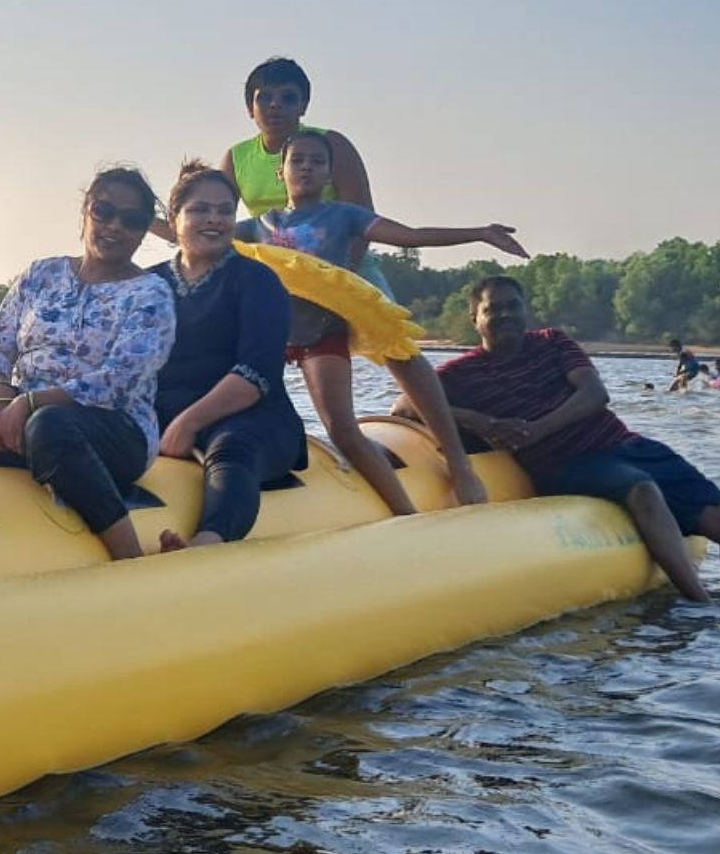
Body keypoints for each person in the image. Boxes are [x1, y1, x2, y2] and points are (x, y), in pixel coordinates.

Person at [404, 276, 720, 601]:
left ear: (526, 311)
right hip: (564, 465)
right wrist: (479, 419)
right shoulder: (459, 374)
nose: (504, 315)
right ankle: (699, 603)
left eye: (513, 306)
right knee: (642, 489)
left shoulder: (553, 342)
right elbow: (405, 407)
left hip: (625, 445)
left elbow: (595, 394)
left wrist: (537, 428)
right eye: (492, 309)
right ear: (475, 320)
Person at [237, 129, 525, 515]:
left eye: (317, 162)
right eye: (297, 160)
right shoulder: (259, 225)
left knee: (342, 428)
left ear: (329, 175)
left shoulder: (343, 215)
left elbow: (411, 236)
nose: (306, 167)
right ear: (280, 171)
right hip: (277, 335)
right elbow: (192, 234)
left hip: (324, 333)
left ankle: (410, 509)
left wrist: (479, 233)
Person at [0, 167, 175, 561]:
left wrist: (31, 403)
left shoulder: (151, 294)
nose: (115, 226)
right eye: (104, 211)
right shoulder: (41, 274)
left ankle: (129, 555)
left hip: (112, 429)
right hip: (21, 412)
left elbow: (119, 380)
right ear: (86, 211)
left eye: (132, 220)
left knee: (48, 427)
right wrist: (0, 397)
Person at [149, 161, 308, 549]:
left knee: (230, 446)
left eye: (224, 211)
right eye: (200, 209)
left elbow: (255, 373)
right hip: (164, 414)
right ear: (174, 218)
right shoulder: (147, 284)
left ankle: (207, 542)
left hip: (251, 420)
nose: (214, 220)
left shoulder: (257, 281)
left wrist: (188, 423)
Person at [213, 56, 391, 297]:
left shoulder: (331, 145)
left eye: (287, 98)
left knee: (386, 331)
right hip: (273, 274)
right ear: (249, 108)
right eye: (264, 97)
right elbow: (217, 219)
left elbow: (361, 218)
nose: (275, 105)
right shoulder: (236, 159)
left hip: (344, 270)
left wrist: (341, 277)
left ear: (303, 105)